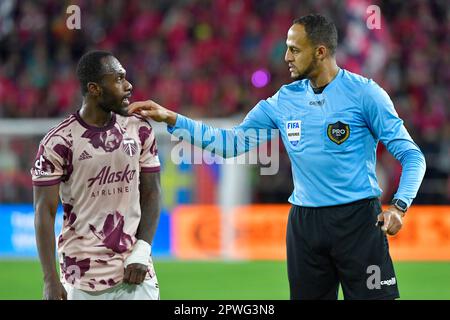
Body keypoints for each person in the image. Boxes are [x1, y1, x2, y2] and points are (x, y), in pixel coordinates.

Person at [128, 14, 426, 300]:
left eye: (295, 50)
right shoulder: (283, 100)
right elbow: (231, 144)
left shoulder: (365, 94)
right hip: (304, 225)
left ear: (320, 52)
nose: (286, 57)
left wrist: (399, 207)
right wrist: (172, 119)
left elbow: (412, 156)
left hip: (358, 222)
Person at [32, 50, 162, 300]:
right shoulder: (58, 142)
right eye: (118, 79)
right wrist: (50, 280)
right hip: (81, 278)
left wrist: (142, 250)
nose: (128, 85)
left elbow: (152, 192)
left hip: (135, 272)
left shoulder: (139, 129)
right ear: (94, 88)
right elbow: (44, 212)